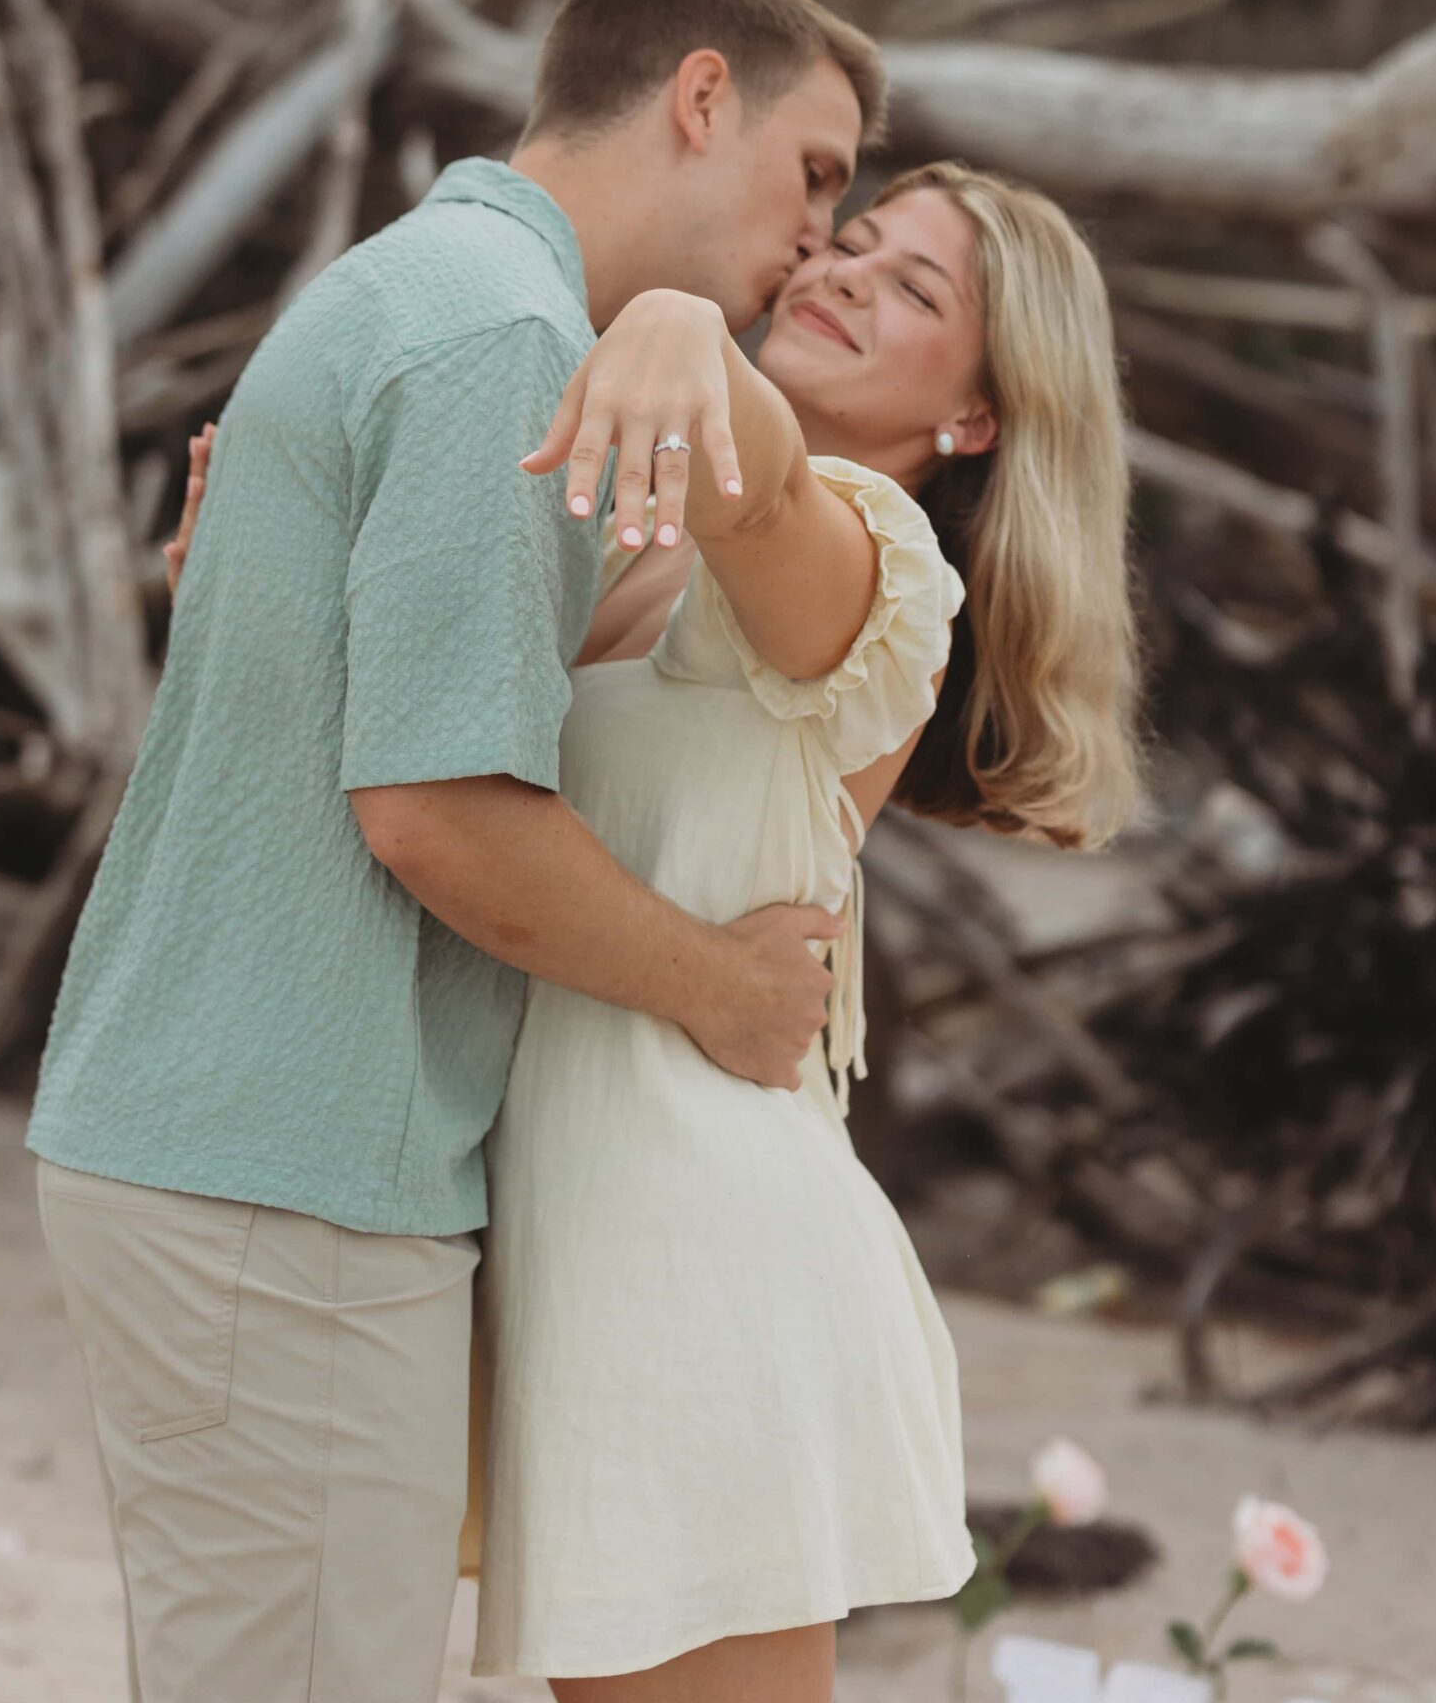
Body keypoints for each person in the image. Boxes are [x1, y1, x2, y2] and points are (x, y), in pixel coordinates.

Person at [25, 0, 883, 1703]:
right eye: (818, 172)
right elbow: (433, 811)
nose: (819, 233)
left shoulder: (406, 287)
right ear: (699, 98)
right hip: (289, 1173)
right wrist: (725, 990)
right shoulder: (502, 342)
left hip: (213, 1144)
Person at [171, 162, 1142, 1702]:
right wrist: (255, 579)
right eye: (858, 243)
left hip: (695, 1254)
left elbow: (761, 488)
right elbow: (430, 802)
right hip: (539, 1228)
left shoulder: (881, 567)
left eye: (913, 292)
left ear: (977, 417)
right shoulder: (614, 537)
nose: (844, 276)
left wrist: (683, 312)